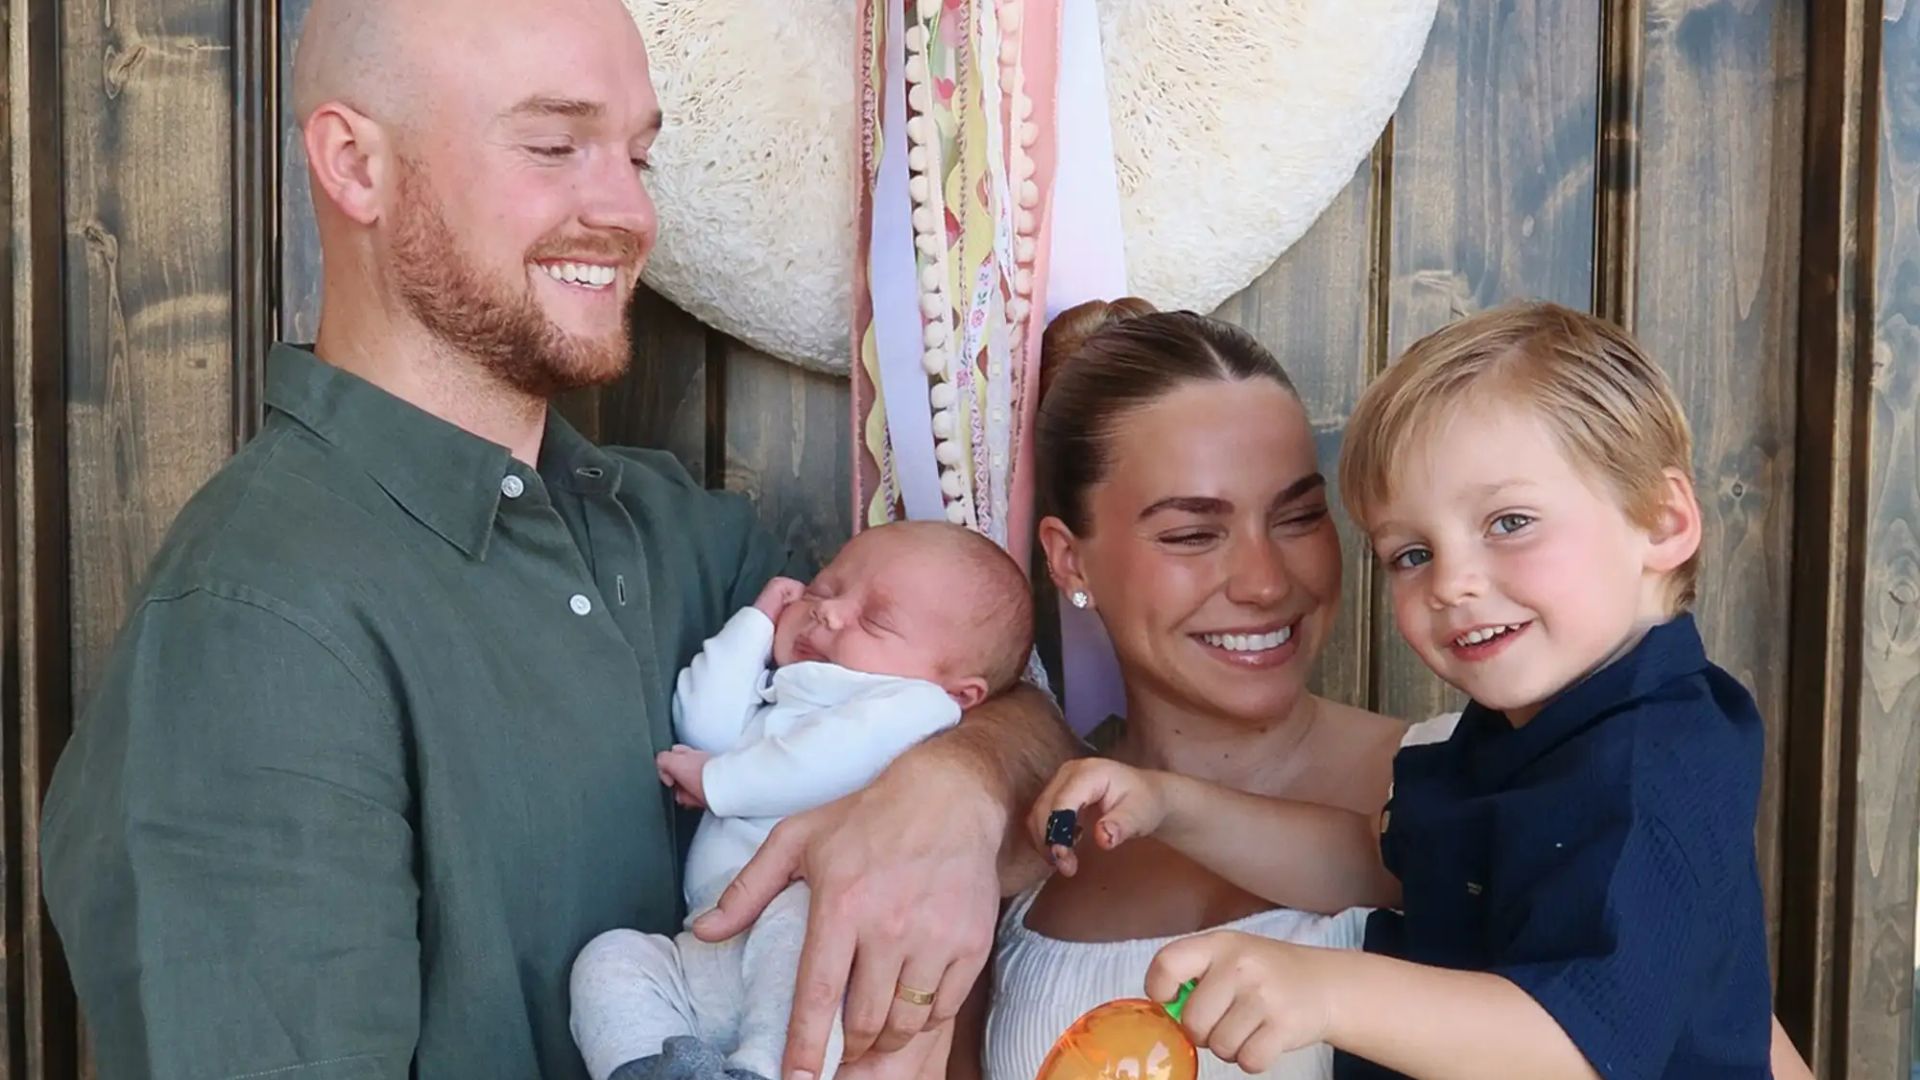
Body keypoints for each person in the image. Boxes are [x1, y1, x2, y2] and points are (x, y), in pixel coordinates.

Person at [37, 1, 1075, 1077]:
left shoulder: (683, 532)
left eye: (638, 156)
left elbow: (1014, 712)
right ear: (356, 165)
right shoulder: (249, 628)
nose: (625, 211)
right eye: (553, 145)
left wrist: (954, 790)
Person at [1033, 302, 1800, 1079]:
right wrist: (1177, 807)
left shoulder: (1656, 764)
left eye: (1509, 522)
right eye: (1411, 553)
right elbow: (1378, 861)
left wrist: (1326, 991)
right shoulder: (1523, 735)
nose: (1453, 584)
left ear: (1663, 521)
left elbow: (1574, 1046)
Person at [946, 299, 1434, 1080]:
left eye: (1299, 517)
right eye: (1192, 534)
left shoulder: (1468, 778)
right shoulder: (1011, 857)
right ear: (1069, 560)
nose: (1267, 582)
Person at [571, 522, 1034, 1080]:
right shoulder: (783, 692)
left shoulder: (915, 708)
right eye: (822, 589)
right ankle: (648, 1066)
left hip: (797, 928)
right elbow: (703, 726)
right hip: (705, 945)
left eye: (876, 620)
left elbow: (821, 763)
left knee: (812, 920)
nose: (829, 613)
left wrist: (720, 783)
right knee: (611, 959)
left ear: (960, 691)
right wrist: (759, 621)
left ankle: (762, 1069)